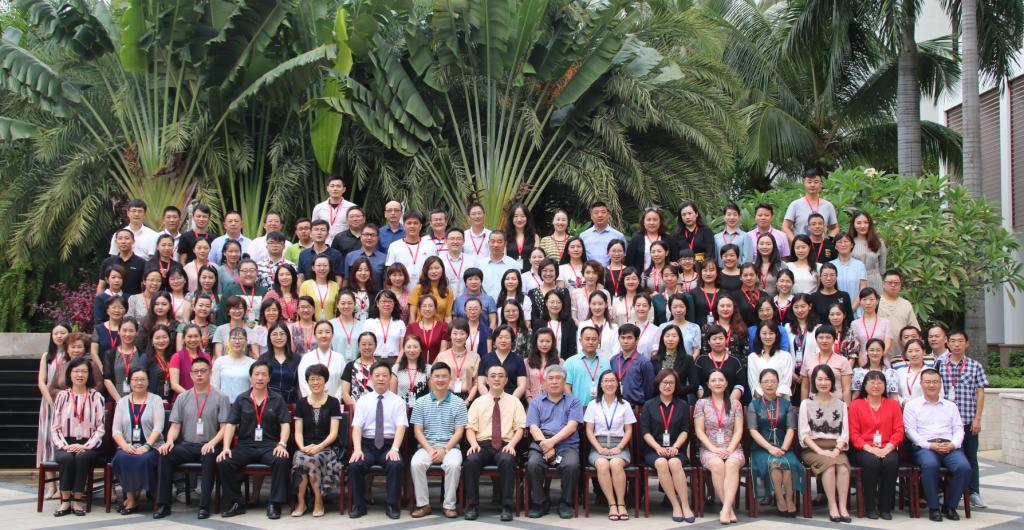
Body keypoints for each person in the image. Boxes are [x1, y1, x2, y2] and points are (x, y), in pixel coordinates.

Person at [153, 356, 230, 520]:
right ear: (190, 374)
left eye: (203, 371)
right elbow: (175, 426)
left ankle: (204, 506)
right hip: (187, 444)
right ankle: (163, 505)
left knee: (209, 456)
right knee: (165, 455)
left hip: (210, 444)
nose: (199, 374)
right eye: (196, 371)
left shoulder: (221, 397)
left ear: (210, 373)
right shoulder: (182, 398)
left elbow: (225, 427)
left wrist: (212, 442)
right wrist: (169, 441)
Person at [217, 361, 292, 519]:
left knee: (281, 459)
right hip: (245, 446)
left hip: (269, 445)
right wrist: (226, 447)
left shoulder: (277, 399)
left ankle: (274, 504)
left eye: (264, 374)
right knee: (224, 461)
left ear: (269, 378)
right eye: (256, 374)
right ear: (250, 377)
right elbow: (231, 424)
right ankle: (236, 502)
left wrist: (282, 444)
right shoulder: (242, 399)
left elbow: (285, 423)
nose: (260, 378)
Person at [903, 368, 971, 521]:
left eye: (935, 382)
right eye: (928, 382)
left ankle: (950, 506)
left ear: (941, 384)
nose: (931, 385)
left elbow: (958, 429)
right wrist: (929, 446)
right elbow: (910, 431)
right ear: (921, 384)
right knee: (930, 465)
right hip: (925, 447)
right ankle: (934, 508)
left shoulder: (950, 406)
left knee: (964, 468)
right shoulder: (912, 406)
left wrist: (954, 444)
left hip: (949, 447)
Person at [464, 365, 527, 521]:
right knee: (471, 461)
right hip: (482, 445)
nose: (496, 379)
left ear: (506, 380)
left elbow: (520, 428)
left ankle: (507, 507)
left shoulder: (514, 402)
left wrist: (512, 445)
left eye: (500, 376)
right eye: (493, 376)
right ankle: (472, 506)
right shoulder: (478, 402)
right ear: (487, 380)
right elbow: (470, 428)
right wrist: (473, 444)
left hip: (505, 444)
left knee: (507, 460)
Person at [935, 329, 989, 509]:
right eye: (953, 341)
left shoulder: (975, 366)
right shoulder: (939, 364)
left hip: (967, 420)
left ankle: (974, 492)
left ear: (967, 344)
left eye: (960, 341)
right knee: (945, 456)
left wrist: (977, 419)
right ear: (947, 343)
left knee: (971, 457)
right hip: (945, 424)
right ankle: (946, 491)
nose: (956, 344)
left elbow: (980, 393)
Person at [347, 361, 407, 519]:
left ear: (390, 378)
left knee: (395, 465)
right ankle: (359, 506)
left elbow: (401, 427)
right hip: (367, 445)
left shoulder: (398, 401)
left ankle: (392, 505)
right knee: (355, 465)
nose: (381, 378)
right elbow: (357, 427)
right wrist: (357, 449)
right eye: (377, 375)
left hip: (389, 445)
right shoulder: (362, 401)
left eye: (384, 375)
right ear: (371, 378)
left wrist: (395, 449)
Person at [409, 362, 467, 518]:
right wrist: (430, 449)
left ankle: (449, 506)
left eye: (444, 376)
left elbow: (459, 432)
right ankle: (423, 505)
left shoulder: (459, 403)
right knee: (416, 464)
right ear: (431, 379)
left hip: (451, 447)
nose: (440, 380)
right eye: (437, 376)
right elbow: (417, 431)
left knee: (453, 465)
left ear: (450, 379)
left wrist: (445, 450)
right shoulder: (420, 402)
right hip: (426, 446)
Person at [525, 364, 583, 519]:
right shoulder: (536, 402)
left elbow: (572, 427)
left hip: (567, 445)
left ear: (564, 382)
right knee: (533, 464)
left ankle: (565, 502)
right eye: (550, 378)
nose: (554, 381)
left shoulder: (574, 402)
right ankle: (540, 502)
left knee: (571, 465)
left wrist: (552, 443)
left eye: (558, 378)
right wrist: (545, 445)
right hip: (541, 443)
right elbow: (533, 427)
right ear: (544, 382)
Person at [50, 358, 106, 517]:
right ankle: (65, 501)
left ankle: (77, 500)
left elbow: (100, 428)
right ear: (70, 374)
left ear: (89, 375)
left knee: (82, 457)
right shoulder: (62, 396)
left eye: (84, 371)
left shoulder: (97, 397)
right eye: (76, 371)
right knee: (67, 458)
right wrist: (64, 445)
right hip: (65, 443)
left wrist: (86, 446)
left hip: (89, 444)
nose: (80, 375)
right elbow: (55, 427)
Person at [640, 369, 696, 523]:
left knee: (675, 462)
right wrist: (657, 448)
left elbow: (685, 430)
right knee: (661, 463)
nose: (667, 386)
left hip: (675, 449)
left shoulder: (682, 405)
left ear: (676, 385)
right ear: (658, 384)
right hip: (654, 450)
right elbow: (645, 432)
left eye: (671, 383)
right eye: (665, 382)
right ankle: (675, 505)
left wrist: (676, 446)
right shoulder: (649, 405)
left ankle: (685, 505)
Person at [849, 370, 905, 520]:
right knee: (872, 463)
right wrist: (871, 449)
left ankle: (885, 507)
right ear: (864, 386)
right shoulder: (856, 405)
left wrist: (888, 448)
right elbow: (854, 434)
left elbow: (899, 431)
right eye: (872, 382)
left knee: (891, 463)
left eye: (880, 382)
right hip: (863, 448)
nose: (876, 385)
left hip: (887, 447)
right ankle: (870, 507)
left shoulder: (893, 405)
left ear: (885, 386)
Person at [798, 364, 851, 522]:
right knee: (829, 466)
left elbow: (844, 433)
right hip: (813, 449)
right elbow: (804, 434)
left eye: (827, 379)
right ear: (814, 381)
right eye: (819, 379)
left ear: (832, 381)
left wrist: (837, 449)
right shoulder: (806, 404)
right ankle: (832, 506)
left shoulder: (841, 404)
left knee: (843, 467)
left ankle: (843, 507)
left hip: (835, 448)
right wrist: (820, 451)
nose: (823, 383)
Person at [746, 369, 803, 517]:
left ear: (778, 383)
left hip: (784, 447)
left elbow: (791, 429)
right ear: (760, 384)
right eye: (765, 381)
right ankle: (780, 499)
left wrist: (783, 448)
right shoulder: (754, 405)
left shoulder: (786, 404)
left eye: (773, 381)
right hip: (761, 448)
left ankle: (789, 499)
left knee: (788, 464)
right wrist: (770, 448)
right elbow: (753, 431)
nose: (769, 384)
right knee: (775, 464)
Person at [290, 364, 343, 518]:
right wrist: (302, 447)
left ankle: (318, 501)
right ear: (307, 381)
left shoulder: (333, 402)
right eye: (312, 379)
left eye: (318, 379)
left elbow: (333, 433)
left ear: (325, 380)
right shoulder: (301, 403)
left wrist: (318, 447)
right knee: (300, 459)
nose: (315, 382)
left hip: (327, 447)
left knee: (312, 460)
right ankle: (301, 502)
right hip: (305, 447)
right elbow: (298, 432)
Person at [109, 368, 165, 514]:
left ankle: (136, 496)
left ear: (148, 382)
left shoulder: (156, 400)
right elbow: (116, 431)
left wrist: (146, 446)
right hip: (128, 445)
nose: (139, 383)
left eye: (142, 379)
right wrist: (124, 446)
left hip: (152, 446)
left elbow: (158, 427)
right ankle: (131, 499)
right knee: (122, 457)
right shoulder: (122, 402)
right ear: (129, 382)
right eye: (135, 379)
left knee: (144, 459)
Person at [584, 369, 637, 521]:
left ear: (618, 384)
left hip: (619, 444)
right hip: (598, 445)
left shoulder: (625, 405)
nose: (609, 384)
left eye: (612, 380)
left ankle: (621, 504)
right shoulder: (593, 405)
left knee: (615, 463)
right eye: (606, 381)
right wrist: (599, 448)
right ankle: (612, 504)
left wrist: (619, 447)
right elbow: (589, 430)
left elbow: (628, 430)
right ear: (600, 384)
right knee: (602, 464)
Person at [694, 369, 744, 524]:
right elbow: (699, 431)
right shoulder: (701, 403)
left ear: (726, 383)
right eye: (713, 380)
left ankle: (725, 509)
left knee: (732, 463)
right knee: (717, 464)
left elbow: (738, 430)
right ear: (708, 384)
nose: (717, 383)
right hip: (709, 448)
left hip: (732, 447)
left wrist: (730, 449)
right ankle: (728, 509)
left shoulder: (735, 404)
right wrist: (714, 449)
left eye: (721, 380)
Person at [37, 323, 71, 499]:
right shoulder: (47, 356)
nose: (59, 336)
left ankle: (64, 484)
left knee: (63, 442)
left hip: (68, 404)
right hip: (48, 404)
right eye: (56, 333)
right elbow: (41, 381)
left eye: (62, 333)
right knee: (48, 441)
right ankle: (51, 486)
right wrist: (50, 401)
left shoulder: (71, 355)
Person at [799, 325, 852, 402]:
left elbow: (846, 388)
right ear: (816, 340)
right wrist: (803, 405)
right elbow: (805, 387)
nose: (824, 340)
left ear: (834, 339)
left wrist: (846, 406)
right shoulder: (808, 359)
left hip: (836, 404)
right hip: (813, 404)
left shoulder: (843, 361)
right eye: (821, 337)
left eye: (828, 337)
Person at [783, 168, 840, 240]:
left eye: (816, 182)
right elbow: (785, 227)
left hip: (822, 245)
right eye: (809, 182)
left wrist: (829, 242)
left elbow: (835, 228)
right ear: (804, 183)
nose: (812, 185)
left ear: (821, 184)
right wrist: (796, 242)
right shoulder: (795, 205)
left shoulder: (828, 205)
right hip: (802, 246)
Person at [694, 325, 746, 402]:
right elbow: (696, 384)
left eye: (721, 338)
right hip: (706, 404)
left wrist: (729, 403)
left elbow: (740, 384)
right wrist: (707, 403)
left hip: (730, 403)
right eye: (714, 339)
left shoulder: (735, 361)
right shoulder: (701, 360)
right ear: (708, 341)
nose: (718, 342)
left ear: (726, 340)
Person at [103, 318, 149, 402]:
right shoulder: (110, 354)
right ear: (119, 331)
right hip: (116, 400)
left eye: (131, 331)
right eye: (124, 330)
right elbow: (107, 379)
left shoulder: (142, 354)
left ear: (136, 333)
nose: (127, 334)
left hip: (139, 400)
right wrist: (119, 401)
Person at [385, 211, 437, 285]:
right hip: (402, 289)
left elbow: (436, 268)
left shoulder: (430, 245)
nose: (412, 226)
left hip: (425, 288)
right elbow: (389, 272)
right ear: (403, 226)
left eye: (415, 223)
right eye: (409, 223)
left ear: (420, 226)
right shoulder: (394, 246)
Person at [650, 325, 700, 403]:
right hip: (658, 401)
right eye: (667, 336)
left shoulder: (687, 359)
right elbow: (651, 382)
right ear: (662, 338)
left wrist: (676, 390)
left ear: (679, 339)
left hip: (680, 401)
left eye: (674, 336)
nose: (670, 339)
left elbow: (695, 385)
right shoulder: (655, 359)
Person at [434, 319, 480, 401]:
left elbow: (476, 382)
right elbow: (435, 379)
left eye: (462, 333)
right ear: (450, 335)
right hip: (446, 397)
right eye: (455, 333)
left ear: (467, 335)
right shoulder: (442, 356)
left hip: (467, 397)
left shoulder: (475, 357)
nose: (458, 337)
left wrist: (468, 401)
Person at [748, 320, 795, 399]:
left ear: (776, 335)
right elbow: (754, 384)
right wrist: (765, 401)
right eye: (764, 333)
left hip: (781, 402)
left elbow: (785, 383)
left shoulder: (786, 356)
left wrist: (774, 400)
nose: (768, 337)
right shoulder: (752, 357)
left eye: (771, 333)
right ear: (759, 335)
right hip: (759, 402)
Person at [609, 324, 655, 407]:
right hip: (615, 406)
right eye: (623, 337)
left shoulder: (644, 363)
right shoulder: (613, 360)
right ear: (618, 339)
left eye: (629, 338)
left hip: (635, 408)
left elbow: (649, 391)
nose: (625, 341)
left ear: (637, 340)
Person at [477, 325, 528, 398]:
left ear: (511, 340)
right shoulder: (485, 359)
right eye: (500, 337)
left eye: (507, 337)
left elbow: (521, 385)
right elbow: (481, 383)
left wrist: (511, 401)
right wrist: (489, 400)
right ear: (495, 340)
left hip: (512, 398)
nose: (503, 340)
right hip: (489, 398)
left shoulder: (518, 360)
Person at [211, 327, 256, 402]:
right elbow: (214, 386)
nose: (237, 342)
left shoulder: (253, 363)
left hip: (245, 404)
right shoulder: (219, 362)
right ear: (228, 341)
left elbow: (254, 387)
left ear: (246, 342)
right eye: (234, 338)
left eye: (240, 338)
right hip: (224, 403)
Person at [878, 270, 920, 348]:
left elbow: (915, 330)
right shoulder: (876, 302)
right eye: (890, 282)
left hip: (903, 351)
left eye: (896, 283)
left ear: (900, 285)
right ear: (883, 284)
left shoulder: (906, 304)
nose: (893, 285)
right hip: (879, 350)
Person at [98, 231, 145, 297]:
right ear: (116, 242)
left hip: (133, 301)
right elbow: (101, 286)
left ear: (133, 241)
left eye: (127, 238)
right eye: (120, 238)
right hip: (111, 301)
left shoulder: (142, 263)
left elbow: (144, 287)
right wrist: (99, 301)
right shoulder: (108, 262)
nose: (123, 241)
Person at [220, 259, 267, 326]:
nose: (248, 274)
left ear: (257, 272)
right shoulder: (230, 290)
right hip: (235, 330)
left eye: (252, 270)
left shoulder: (264, 291)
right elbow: (222, 316)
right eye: (244, 270)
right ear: (239, 273)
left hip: (259, 330)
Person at [830, 232, 868, 315]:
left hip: (856, 310)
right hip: (835, 312)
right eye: (840, 242)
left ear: (852, 245)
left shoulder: (860, 265)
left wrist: (852, 308)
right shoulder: (830, 265)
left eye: (846, 241)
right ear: (835, 246)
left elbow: (863, 288)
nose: (843, 244)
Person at [169, 324, 213, 395]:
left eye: (196, 336)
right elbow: (174, 385)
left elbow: (210, 379)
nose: (193, 339)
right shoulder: (176, 357)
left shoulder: (206, 357)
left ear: (200, 338)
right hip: (183, 398)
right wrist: (191, 396)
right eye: (189, 336)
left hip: (205, 397)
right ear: (183, 338)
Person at [297, 220, 344, 285]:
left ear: (327, 235)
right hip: (308, 290)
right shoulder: (304, 254)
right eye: (316, 229)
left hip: (330, 290)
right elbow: (300, 277)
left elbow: (339, 278)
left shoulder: (336, 254)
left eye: (323, 230)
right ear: (311, 234)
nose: (319, 232)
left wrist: (336, 290)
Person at [849, 212, 887, 293]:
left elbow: (882, 268)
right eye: (859, 223)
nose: (862, 226)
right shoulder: (848, 242)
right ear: (853, 225)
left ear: (870, 224)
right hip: (854, 280)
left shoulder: (879, 242)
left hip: (874, 281)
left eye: (866, 222)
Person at [852, 287, 891, 365]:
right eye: (864, 299)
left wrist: (877, 361)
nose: (868, 303)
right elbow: (856, 348)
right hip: (863, 363)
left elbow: (887, 345)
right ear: (860, 301)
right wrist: (863, 366)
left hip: (882, 363)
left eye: (871, 299)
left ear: (877, 301)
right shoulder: (855, 324)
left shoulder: (886, 323)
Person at [363, 290, 407, 360]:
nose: (386, 304)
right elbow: (365, 346)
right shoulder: (369, 323)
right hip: (374, 360)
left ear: (394, 304)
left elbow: (402, 348)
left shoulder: (400, 324)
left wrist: (397, 364)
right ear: (377, 303)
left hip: (394, 359)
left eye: (390, 301)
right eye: (383, 301)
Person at [577, 290, 620, 360]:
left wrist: (606, 364)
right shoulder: (583, 325)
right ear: (589, 305)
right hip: (587, 364)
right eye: (594, 304)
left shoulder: (614, 327)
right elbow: (580, 349)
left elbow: (616, 350)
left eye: (600, 304)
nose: (597, 307)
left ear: (606, 305)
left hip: (609, 365)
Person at [579, 201, 626, 266]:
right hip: (589, 271)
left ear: (608, 215)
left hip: (611, 272)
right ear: (591, 216)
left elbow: (624, 258)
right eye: (596, 213)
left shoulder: (618, 236)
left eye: (603, 212)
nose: (600, 215)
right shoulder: (583, 236)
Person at [534, 289, 577, 359]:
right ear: (546, 303)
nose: (555, 305)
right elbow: (535, 345)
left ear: (562, 304)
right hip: (543, 361)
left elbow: (572, 346)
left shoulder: (569, 322)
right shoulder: (539, 323)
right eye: (552, 302)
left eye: (558, 302)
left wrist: (567, 362)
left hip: (563, 361)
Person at [311, 175, 356, 241]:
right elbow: (314, 227)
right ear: (327, 188)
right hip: (324, 243)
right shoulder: (319, 207)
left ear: (344, 189)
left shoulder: (351, 207)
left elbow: (356, 228)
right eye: (332, 186)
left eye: (338, 186)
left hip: (345, 243)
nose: (335, 189)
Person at [409, 257, 454, 322]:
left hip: (439, 327)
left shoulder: (448, 291)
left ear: (442, 269)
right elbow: (412, 314)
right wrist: (412, 328)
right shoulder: (418, 288)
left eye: (437, 268)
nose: (434, 271)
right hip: (420, 326)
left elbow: (448, 316)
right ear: (425, 271)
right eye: (430, 269)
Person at [391, 335, 430, 406]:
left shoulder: (428, 369)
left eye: (415, 347)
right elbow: (392, 395)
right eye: (408, 347)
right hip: (401, 409)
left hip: (422, 409)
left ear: (421, 349)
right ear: (404, 349)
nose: (412, 350)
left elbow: (432, 394)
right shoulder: (396, 369)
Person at [299, 255, 340, 321]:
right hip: (311, 325)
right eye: (319, 265)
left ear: (329, 268)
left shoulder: (335, 286)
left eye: (325, 265)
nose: (322, 268)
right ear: (313, 268)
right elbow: (300, 308)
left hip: (331, 325)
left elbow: (336, 310)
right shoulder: (305, 285)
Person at [481, 231, 520, 299]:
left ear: (505, 244)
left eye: (499, 242)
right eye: (492, 241)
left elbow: (518, 287)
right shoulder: (480, 264)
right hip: (484, 303)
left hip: (507, 303)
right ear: (488, 243)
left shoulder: (513, 264)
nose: (495, 245)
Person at [439, 227, 475, 297]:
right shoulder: (439, 260)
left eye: (458, 239)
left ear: (463, 241)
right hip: (445, 299)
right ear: (446, 241)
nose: (455, 242)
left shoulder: (472, 261)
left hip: (467, 300)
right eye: (452, 239)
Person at [145, 325, 175, 401]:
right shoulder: (145, 358)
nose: (161, 341)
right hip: (152, 401)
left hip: (171, 400)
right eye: (157, 338)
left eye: (164, 337)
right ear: (151, 341)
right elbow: (142, 382)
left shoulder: (173, 357)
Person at [689, 260, 721, 325]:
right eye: (705, 270)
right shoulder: (693, 293)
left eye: (711, 270)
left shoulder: (724, 294)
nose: (708, 274)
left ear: (717, 273)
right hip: (698, 329)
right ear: (700, 273)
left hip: (719, 330)